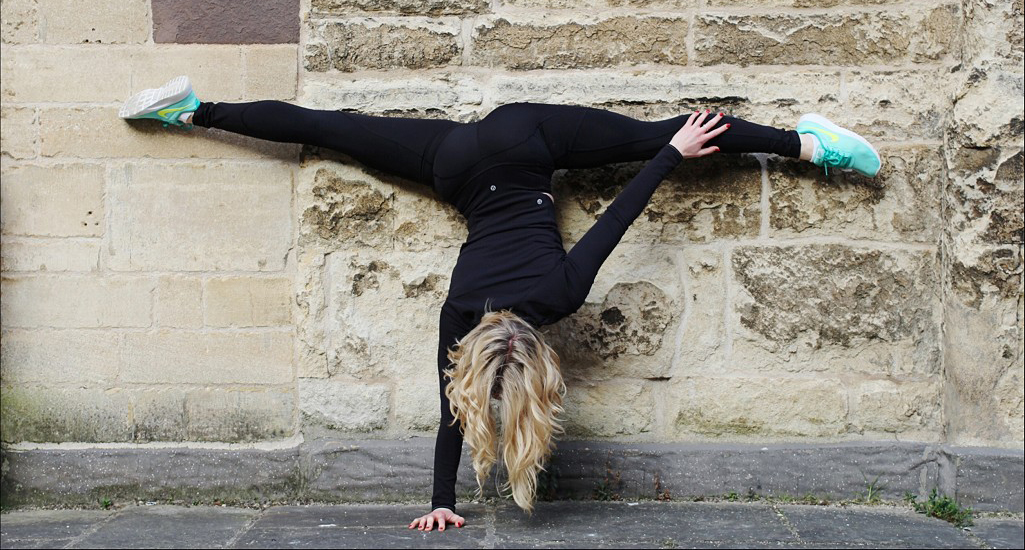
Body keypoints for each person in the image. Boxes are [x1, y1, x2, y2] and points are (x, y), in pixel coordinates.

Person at [119, 75, 881, 532]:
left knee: (671, 134)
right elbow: (453, 408)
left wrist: (668, 158)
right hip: (455, 165)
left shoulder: (555, 297)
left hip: (523, 145)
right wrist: (438, 499)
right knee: (329, 132)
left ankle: (808, 143)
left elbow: (619, 217)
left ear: (541, 366)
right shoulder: (458, 318)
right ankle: (191, 108)